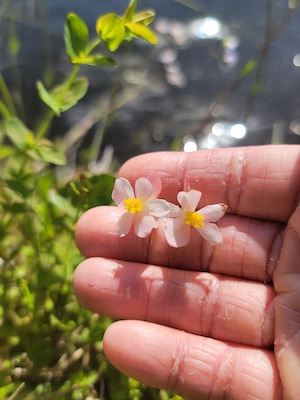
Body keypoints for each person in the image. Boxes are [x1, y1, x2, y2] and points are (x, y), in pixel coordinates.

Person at [73, 145, 300, 400]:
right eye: (131, 203)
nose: (132, 204)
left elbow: (176, 212)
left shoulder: (179, 214)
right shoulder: (144, 213)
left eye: (134, 203)